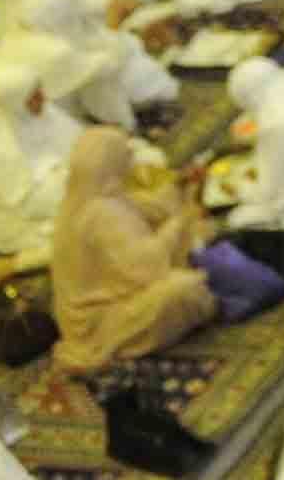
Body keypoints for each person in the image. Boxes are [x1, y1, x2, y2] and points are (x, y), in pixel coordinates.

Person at [50, 124, 216, 380]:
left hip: (119, 291)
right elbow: (146, 269)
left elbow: (150, 208)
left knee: (196, 231)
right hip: (101, 322)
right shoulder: (101, 214)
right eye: (124, 154)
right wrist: (182, 219)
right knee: (184, 290)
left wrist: (179, 185)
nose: (131, 160)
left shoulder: (91, 195)